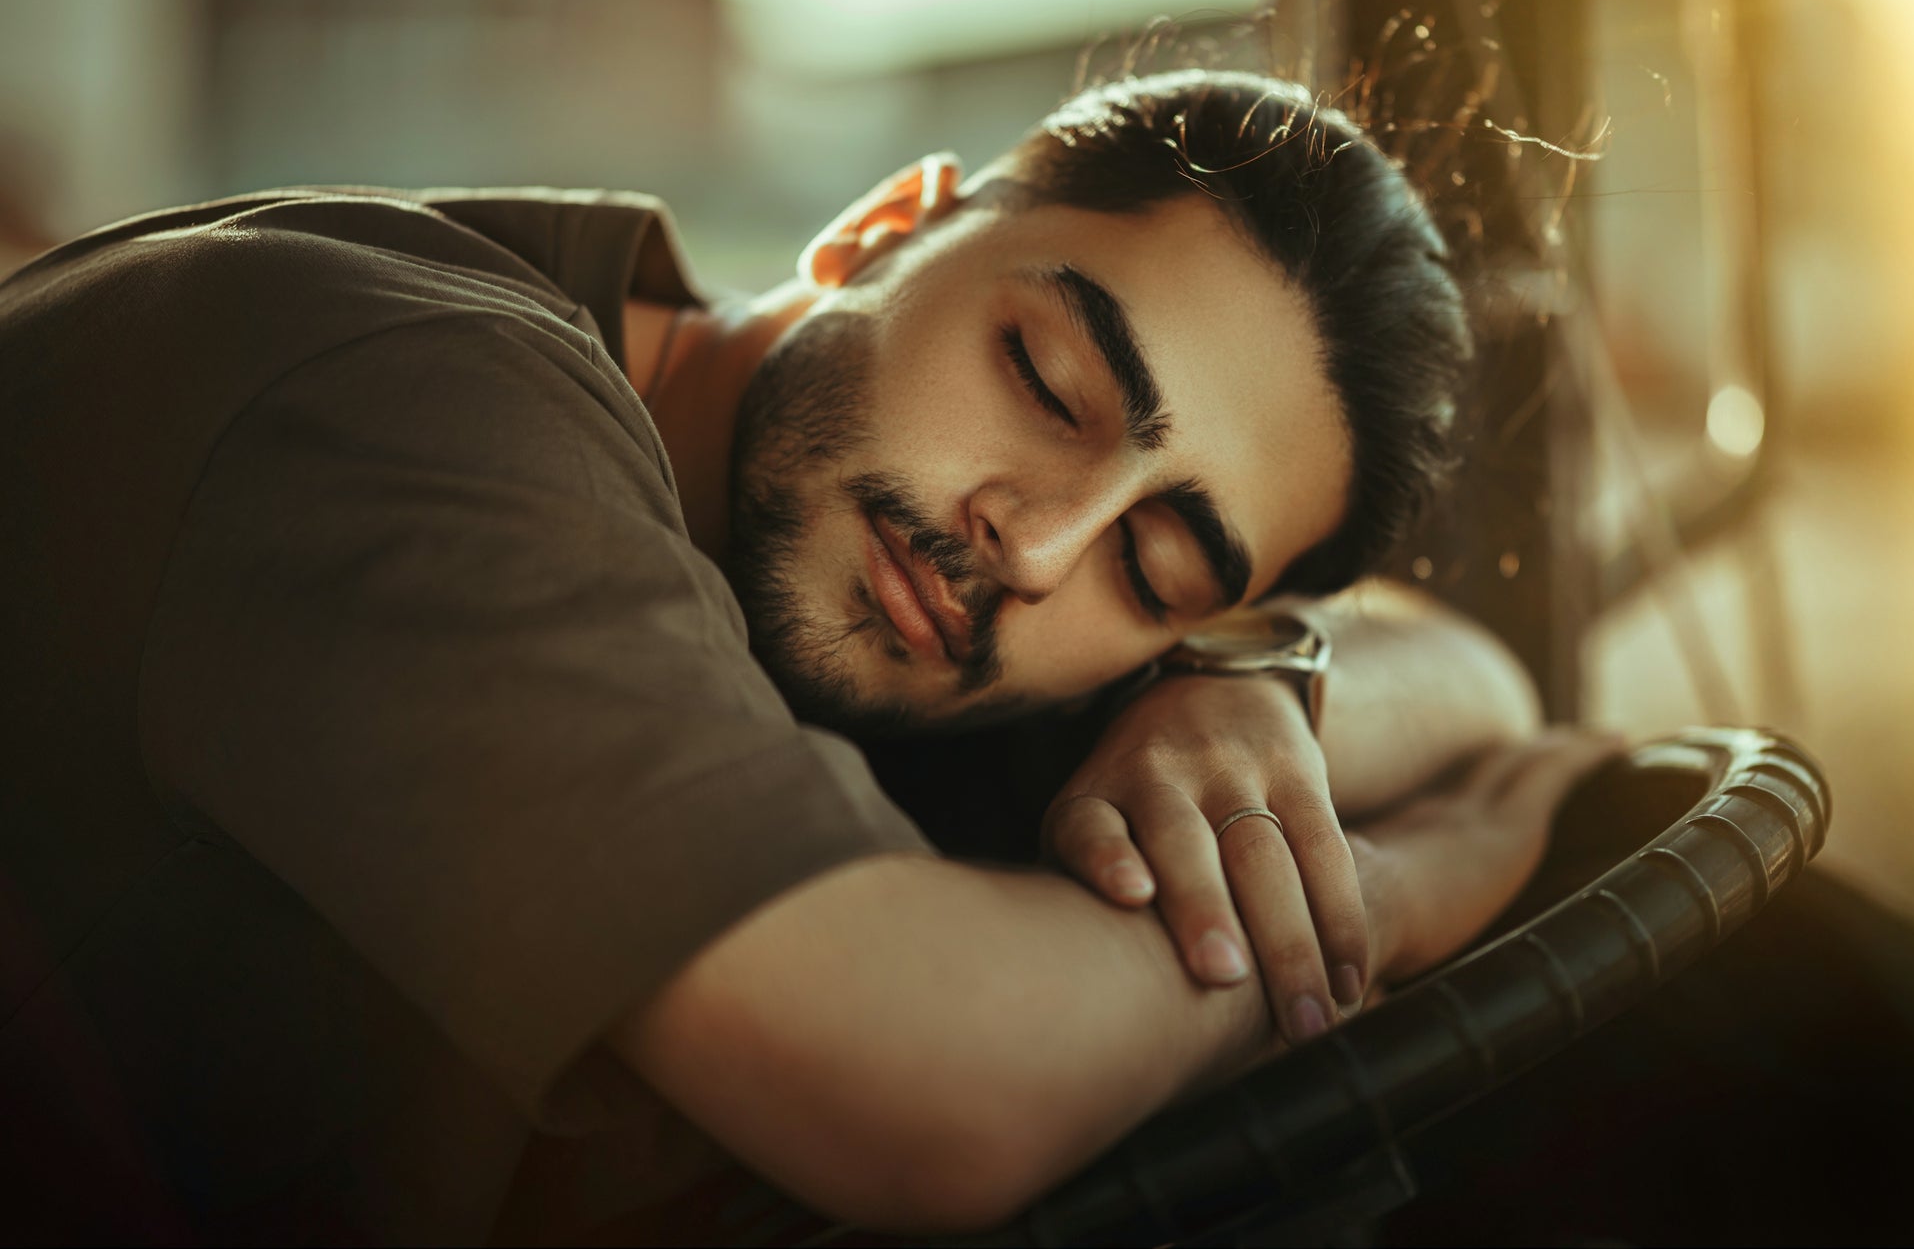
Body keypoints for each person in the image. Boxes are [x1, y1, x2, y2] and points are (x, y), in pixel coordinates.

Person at [0, 69, 1618, 1242]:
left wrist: (1249, 685)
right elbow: (930, 1091)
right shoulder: (412, 395)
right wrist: (1399, 889)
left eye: (1159, 557)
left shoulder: (827, 568)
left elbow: (1469, 672)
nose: (1039, 546)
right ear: (878, 227)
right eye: (1050, 381)